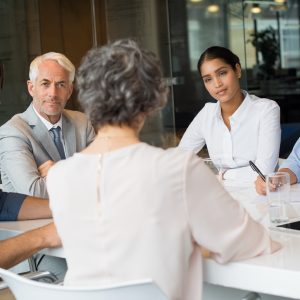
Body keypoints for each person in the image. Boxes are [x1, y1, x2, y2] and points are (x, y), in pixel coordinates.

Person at [47, 39, 280, 300]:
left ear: (85, 97)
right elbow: (257, 242)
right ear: (152, 100)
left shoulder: (58, 176)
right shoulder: (178, 169)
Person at [0, 52, 95, 199]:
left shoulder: (82, 122)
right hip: (33, 221)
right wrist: (82, 173)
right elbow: (33, 192)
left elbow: (105, 177)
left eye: (61, 84)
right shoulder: (13, 132)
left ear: (69, 90)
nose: (53, 93)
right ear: (31, 88)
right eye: (45, 84)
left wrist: (58, 171)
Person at [178, 46, 281, 182]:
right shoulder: (207, 114)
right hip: (220, 196)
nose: (217, 84)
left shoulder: (266, 109)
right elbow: (180, 158)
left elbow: (263, 172)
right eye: (208, 79)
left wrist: (222, 175)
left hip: (259, 196)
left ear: (237, 70)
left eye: (222, 73)